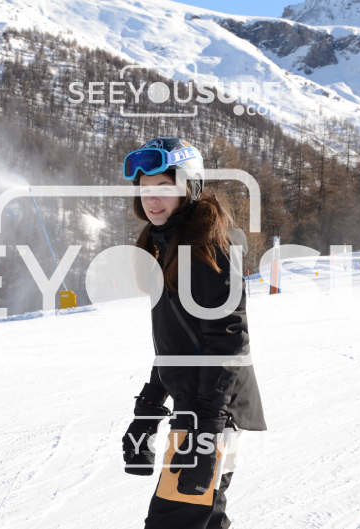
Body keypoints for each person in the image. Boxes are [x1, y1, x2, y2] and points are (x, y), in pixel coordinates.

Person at [120, 138, 267, 529]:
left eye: (163, 187)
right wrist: (148, 412)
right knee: (202, 520)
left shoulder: (208, 247)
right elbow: (177, 345)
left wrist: (207, 429)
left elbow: (229, 342)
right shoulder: (165, 245)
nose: (152, 199)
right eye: (145, 189)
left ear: (190, 188)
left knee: (175, 522)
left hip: (213, 410)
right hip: (200, 409)